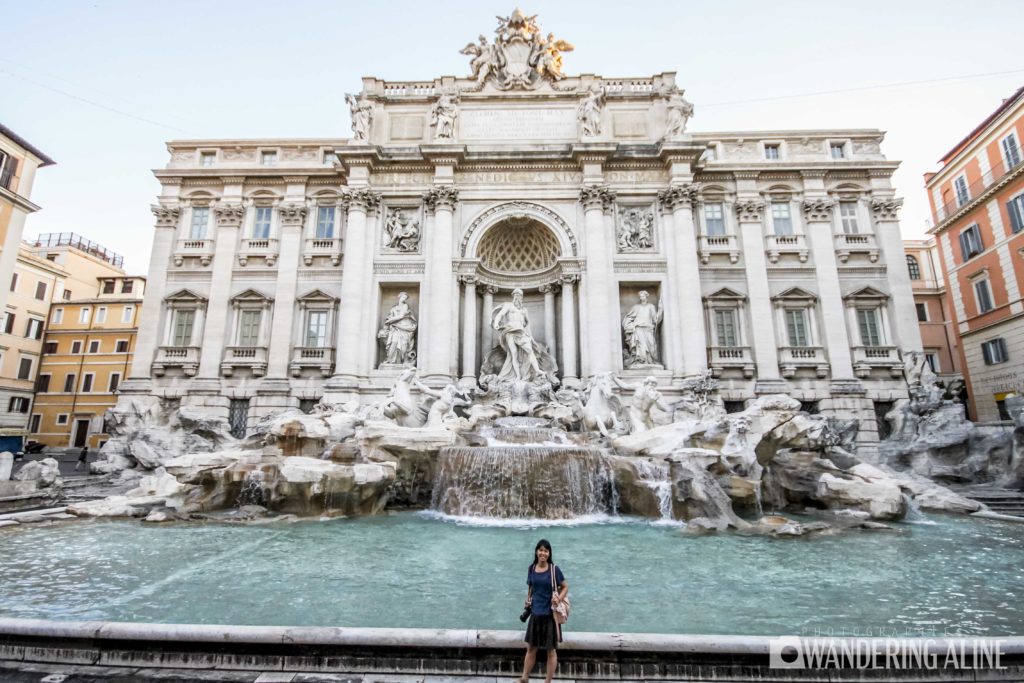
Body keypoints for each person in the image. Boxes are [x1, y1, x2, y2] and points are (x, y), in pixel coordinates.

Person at [520, 539, 568, 683]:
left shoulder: (554, 570)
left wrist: (559, 599)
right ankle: (524, 678)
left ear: (549, 553)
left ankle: (547, 682)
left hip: (550, 615)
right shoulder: (531, 568)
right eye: (540, 550)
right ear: (536, 552)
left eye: (546, 551)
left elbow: (565, 586)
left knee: (551, 651)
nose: (543, 553)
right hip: (535, 614)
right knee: (531, 649)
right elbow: (531, 587)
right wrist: (528, 600)